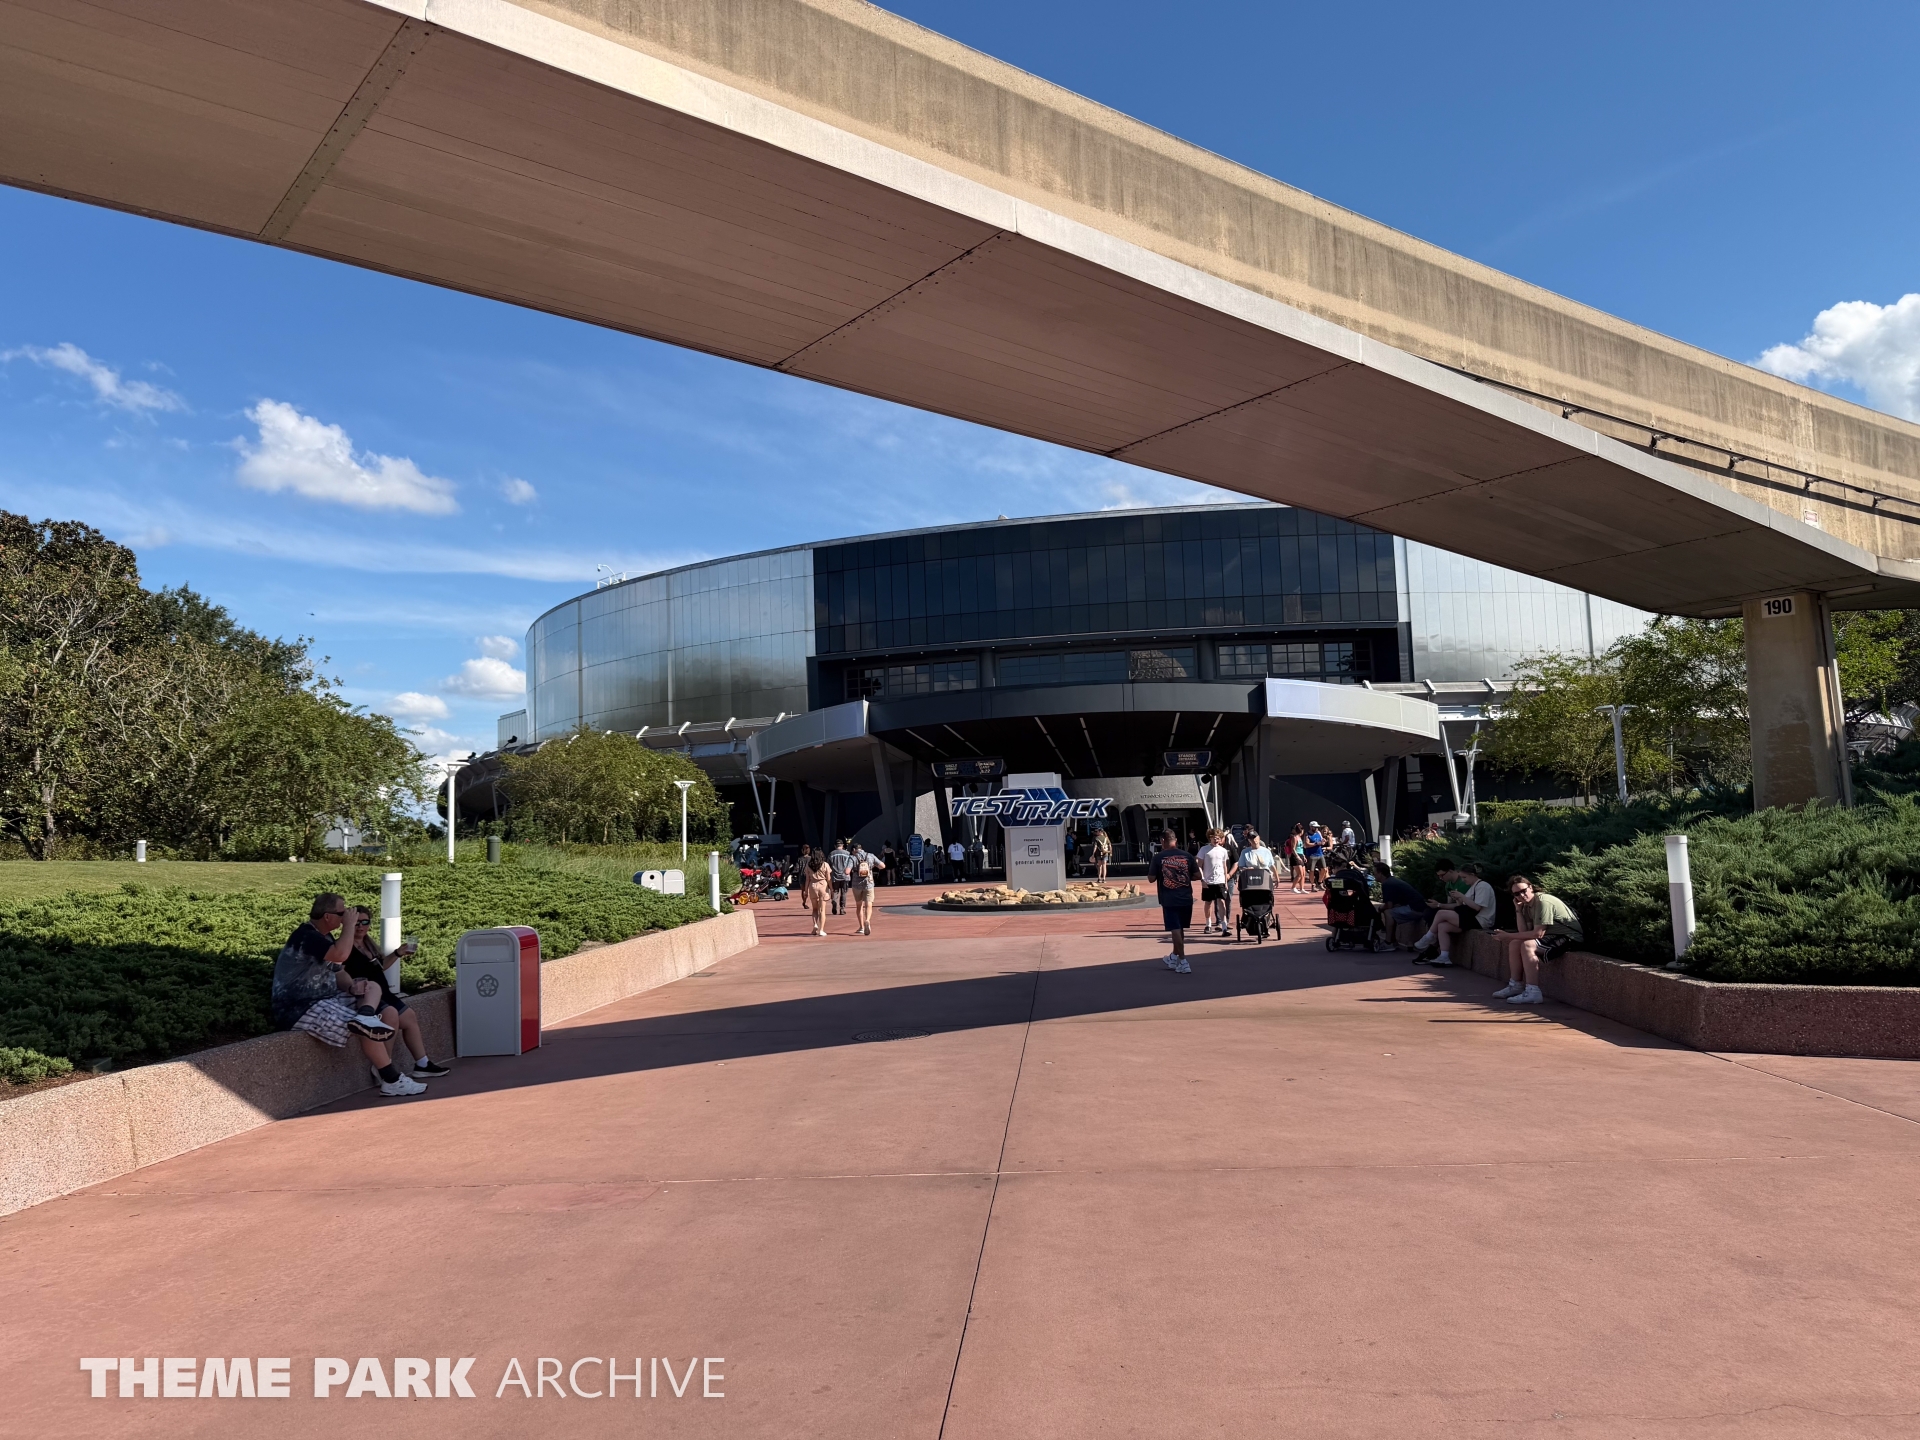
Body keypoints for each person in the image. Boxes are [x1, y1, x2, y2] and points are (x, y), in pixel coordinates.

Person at [270, 893, 424, 1098]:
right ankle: (391, 1080)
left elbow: (338, 970)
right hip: (299, 1006)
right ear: (327, 916)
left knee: (373, 989)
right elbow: (341, 954)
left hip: (327, 997)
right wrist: (349, 926)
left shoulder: (325, 937)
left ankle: (366, 1015)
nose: (346, 917)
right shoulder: (306, 936)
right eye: (342, 913)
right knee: (364, 1027)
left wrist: (352, 987)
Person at [346, 908, 451, 1079]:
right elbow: (338, 972)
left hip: (384, 993)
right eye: (356, 922)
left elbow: (380, 967)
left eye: (365, 922)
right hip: (368, 996)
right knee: (391, 1015)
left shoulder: (368, 944)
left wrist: (397, 953)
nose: (360, 926)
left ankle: (422, 1064)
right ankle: (384, 1067)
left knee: (409, 1017)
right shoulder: (345, 946)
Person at [1494, 875, 1583, 1006]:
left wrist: (1507, 935)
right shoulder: (1527, 905)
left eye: (1523, 891)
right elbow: (1524, 932)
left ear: (1530, 887)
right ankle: (1516, 985)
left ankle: (1533, 992)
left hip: (1570, 938)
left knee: (1527, 945)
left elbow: (1538, 934)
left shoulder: (1542, 901)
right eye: (1517, 894)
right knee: (1515, 944)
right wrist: (1518, 910)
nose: (1521, 895)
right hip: (1552, 936)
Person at [1412, 859, 1496, 968]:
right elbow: (1463, 906)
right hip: (1472, 918)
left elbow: (1477, 907)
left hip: (1481, 920)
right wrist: (1458, 899)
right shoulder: (1473, 886)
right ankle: (1444, 956)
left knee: (1441, 913)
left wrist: (1462, 896)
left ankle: (1428, 937)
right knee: (1442, 926)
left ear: (1472, 875)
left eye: (1464, 877)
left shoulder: (1483, 886)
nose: (1463, 880)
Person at [1147, 827, 1195, 973]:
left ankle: (1183, 960)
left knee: (1175, 928)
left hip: (1169, 898)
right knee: (1180, 928)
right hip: (1186, 896)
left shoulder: (1158, 857)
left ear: (1162, 841)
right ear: (1176, 840)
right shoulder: (1187, 856)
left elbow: (1151, 878)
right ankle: (1174, 957)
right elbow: (1198, 875)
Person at [1373, 862, 1428, 945]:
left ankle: (1388, 942)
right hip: (1418, 908)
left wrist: (1380, 908)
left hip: (1415, 909)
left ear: (1380, 873)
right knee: (1391, 911)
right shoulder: (1392, 881)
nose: (1374, 875)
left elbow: (1389, 905)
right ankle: (1393, 940)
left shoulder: (1387, 884)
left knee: (1388, 912)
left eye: (1375, 873)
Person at [1195, 827, 1236, 935]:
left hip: (1220, 880)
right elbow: (1199, 865)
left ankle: (1224, 926)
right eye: (1214, 838)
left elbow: (1224, 866)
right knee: (1208, 903)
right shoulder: (1204, 849)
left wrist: (1225, 881)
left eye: (1218, 838)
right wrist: (1202, 879)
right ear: (1210, 838)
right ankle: (1208, 924)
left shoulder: (1223, 851)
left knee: (1222, 902)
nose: (1216, 840)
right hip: (1208, 881)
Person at [848, 844, 885, 935]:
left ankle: (861, 927)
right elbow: (882, 866)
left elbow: (847, 871)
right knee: (868, 904)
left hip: (856, 885)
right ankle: (867, 920)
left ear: (854, 849)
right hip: (869, 883)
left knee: (859, 905)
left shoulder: (852, 857)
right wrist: (871, 866)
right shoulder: (870, 855)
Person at [803, 849, 833, 935]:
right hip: (823, 885)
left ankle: (815, 924)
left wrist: (806, 890)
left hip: (813, 886)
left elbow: (807, 879)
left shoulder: (809, 865)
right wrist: (831, 889)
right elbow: (828, 878)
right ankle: (821, 930)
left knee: (815, 909)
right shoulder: (825, 864)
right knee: (822, 910)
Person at [828, 837, 854, 914]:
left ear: (835, 846)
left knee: (835, 891)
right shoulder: (847, 854)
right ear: (842, 845)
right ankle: (842, 908)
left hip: (835, 876)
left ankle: (834, 901)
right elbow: (850, 865)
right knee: (844, 892)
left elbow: (828, 865)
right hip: (845, 876)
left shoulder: (831, 854)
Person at [1304, 821, 1328, 889]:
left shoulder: (1318, 832)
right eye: (1315, 827)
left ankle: (1320, 882)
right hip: (1311, 855)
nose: (1317, 828)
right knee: (1312, 870)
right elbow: (1307, 844)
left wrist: (1323, 841)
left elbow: (1322, 840)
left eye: (1317, 827)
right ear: (1311, 827)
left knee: (1324, 869)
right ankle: (1313, 885)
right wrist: (1316, 843)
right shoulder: (1307, 834)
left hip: (1320, 853)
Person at [1287, 824, 1308, 892]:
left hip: (1301, 855)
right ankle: (1293, 888)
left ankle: (1302, 888)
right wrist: (1297, 857)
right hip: (1296, 856)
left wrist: (1303, 856)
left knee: (1303, 874)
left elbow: (1301, 848)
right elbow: (1293, 849)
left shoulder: (1300, 838)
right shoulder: (1294, 837)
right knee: (1299, 874)